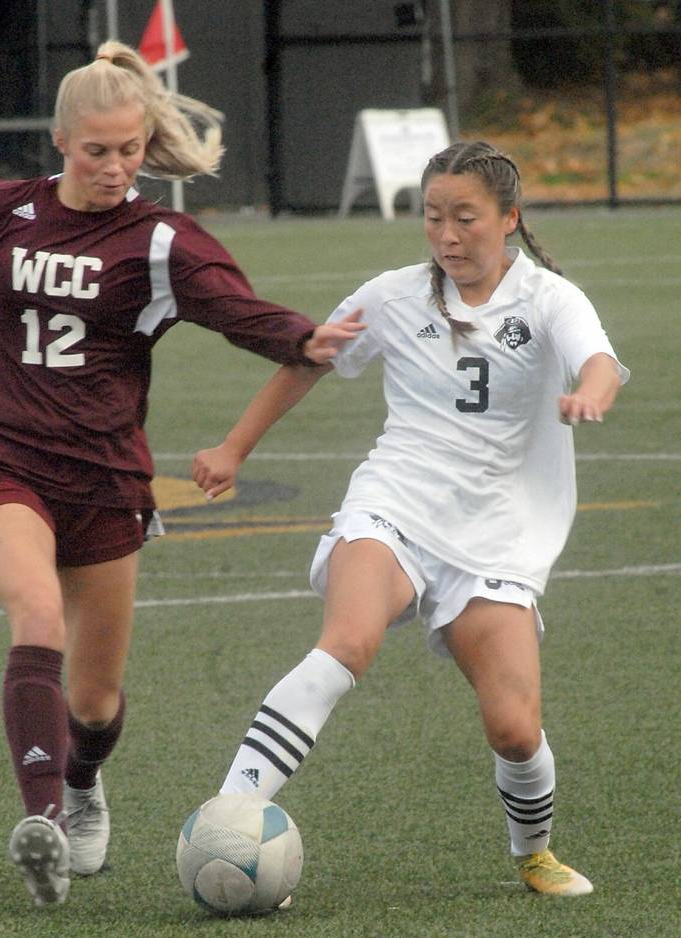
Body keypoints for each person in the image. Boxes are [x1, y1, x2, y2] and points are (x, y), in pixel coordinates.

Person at [0, 40, 364, 909]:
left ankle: (80, 784)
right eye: (98, 151)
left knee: (97, 699)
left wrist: (300, 339)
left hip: (105, 480)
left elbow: (240, 310)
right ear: (59, 142)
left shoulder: (160, 241)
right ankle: (41, 822)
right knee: (34, 612)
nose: (117, 167)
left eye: (131, 150)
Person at [192, 140, 629, 898]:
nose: (448, 236)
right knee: (348, 640)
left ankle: (533, 852)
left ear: (510, 219)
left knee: (515, 729)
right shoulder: (394, 295)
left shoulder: (549, 300)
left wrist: (592, 392)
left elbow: (595, 358)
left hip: (501, 532)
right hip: (395, 502)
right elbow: (308, 361)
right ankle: (232, 812)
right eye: (433, 218)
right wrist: (233, 447)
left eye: (466, 219)